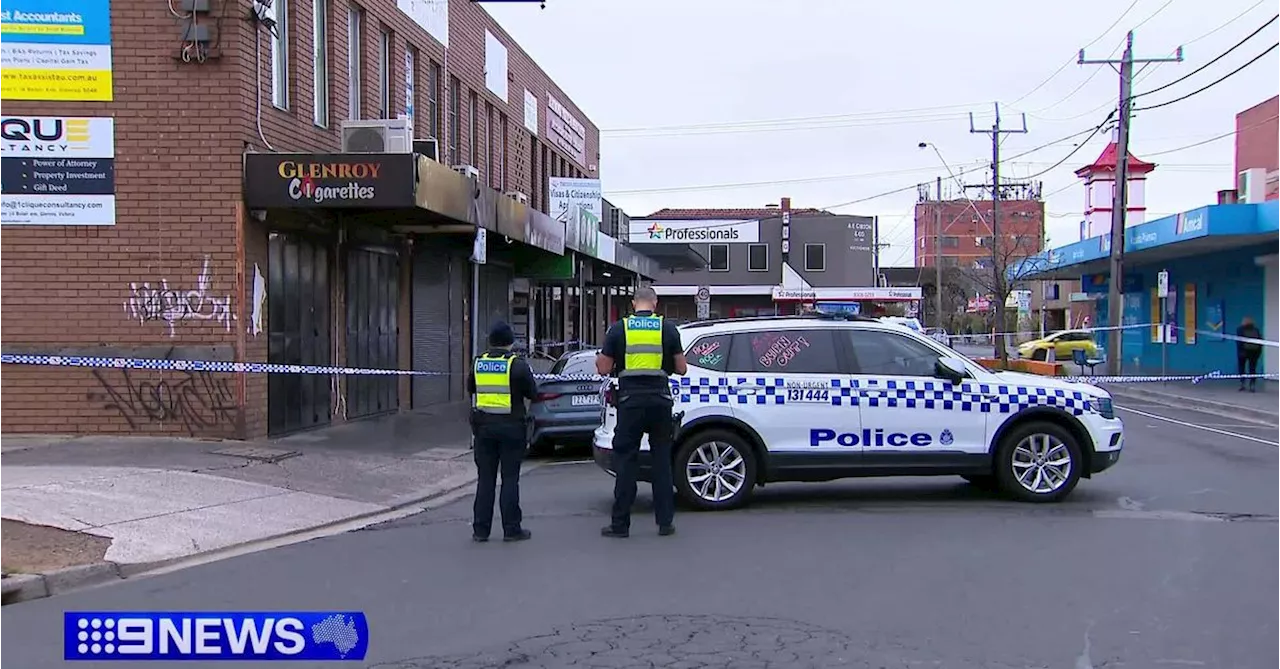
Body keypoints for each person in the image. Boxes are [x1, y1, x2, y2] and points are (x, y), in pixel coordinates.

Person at [596, 285, 688, 538]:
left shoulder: (619, 328)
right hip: (659, 401)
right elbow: (681, 368)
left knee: (626, 461)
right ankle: (665, 523)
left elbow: (603, 368)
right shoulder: (667, 328)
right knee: (661, 462)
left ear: (633, 303)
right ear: (655, 303)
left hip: (630, 402)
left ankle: (620, 525)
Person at [467, 320, 537, 542]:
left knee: (485, 480)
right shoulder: (517, 365)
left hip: (484, 428)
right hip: (511, 428)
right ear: (511, 342)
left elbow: (471, 388)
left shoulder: (478, 363)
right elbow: (532, 393)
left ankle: (480, 530)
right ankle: (511, 529)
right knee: (509, 479)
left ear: (490, 342)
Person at [1236, 316, 1263, 393]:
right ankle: (1252, 385)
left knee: (1242, 368)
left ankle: (1242, 384)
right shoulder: (1256, 330)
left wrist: (1240, 352)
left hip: (1243, 352)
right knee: (1252, 368)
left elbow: (1239, 342)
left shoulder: (1240, 329)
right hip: (1254, 352)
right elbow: (1260, 342)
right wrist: (1258, 353)